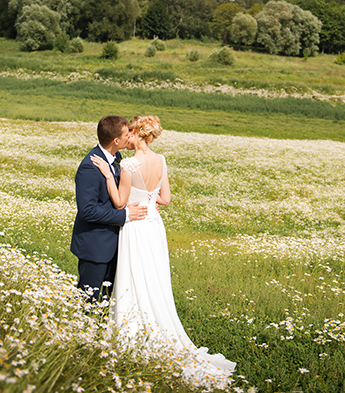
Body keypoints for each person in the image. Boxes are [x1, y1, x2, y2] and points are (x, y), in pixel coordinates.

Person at [90, 115, 236, 386]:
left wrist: (110, 176)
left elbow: (121, 202)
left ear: (136, 135)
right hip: (154, 226)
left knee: (135, 276)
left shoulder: (130, 164)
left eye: (130, 132)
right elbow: (165, 199)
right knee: (153, 277)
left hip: (135, 226)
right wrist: (147, 196)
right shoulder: (161, 160)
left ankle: (133, 329)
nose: (127, 137)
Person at [71, 115, 148, 303]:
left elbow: (118, 194)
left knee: (107, 300)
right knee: (89, 300)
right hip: (95, 246)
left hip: (116, 244)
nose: (130, 135)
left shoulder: (117, 158)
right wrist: (126, 215)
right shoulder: (89, 167)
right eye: (126, 133)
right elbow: (87, 210)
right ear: (116, 140)